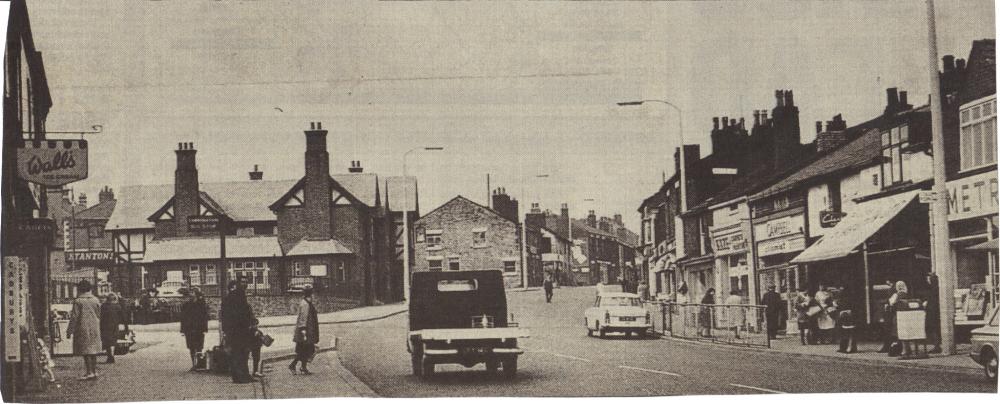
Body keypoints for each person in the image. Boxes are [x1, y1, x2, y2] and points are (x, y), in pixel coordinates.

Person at [222, 280, 256, 383]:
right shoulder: (236, 298)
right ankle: (240, 376)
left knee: (241, 353)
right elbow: (232, 316)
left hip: (237, 330)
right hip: (238, 331)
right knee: (239, 353)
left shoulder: (233, 298)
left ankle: (242, 375)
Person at [67, 280, 102, 380]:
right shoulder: (95, 300)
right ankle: (94, 371)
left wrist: (70, 330)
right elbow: (99, 314)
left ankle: (89, 371)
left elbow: (74, 317)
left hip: (82, 327)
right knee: (93, 350)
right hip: (94, 327)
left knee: (86, 350)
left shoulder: (78, 301)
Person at [289, 284, 319, 375]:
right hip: (306, 330)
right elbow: (303, 318)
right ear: (310, 293)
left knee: (306, 349)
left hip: (308, 329)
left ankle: (303, 367)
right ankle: (293, 365)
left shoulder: (307, 302)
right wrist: (303, 330)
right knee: (305, 349)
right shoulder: (305, 304)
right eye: (311, 292)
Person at [180, 287, 209, 371]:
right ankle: (194, 363)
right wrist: (183, 329)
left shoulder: (201, 304)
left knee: (199, 346)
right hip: (189, 329)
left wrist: (204, 328)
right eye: (190, 292)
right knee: (191, 347)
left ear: (196, 294)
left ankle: (199, 364)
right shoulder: (186, 305)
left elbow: (204, 317)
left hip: (199, 328)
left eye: (193, 292)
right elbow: (183, 318)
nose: (191, 294)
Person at [100, 293, 126, 364]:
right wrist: (125, 326)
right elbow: (123, 317)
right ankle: (112, 355)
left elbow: (100, 316)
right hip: (114, 325)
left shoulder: (103, 306)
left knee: (106, 341)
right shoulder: (118, 306)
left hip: (104, 326)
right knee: (113, 341)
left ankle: (109, 356)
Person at [923, 273, 942, 354]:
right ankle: (936, 345)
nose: (927, 280)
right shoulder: (935, 289)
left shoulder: (934, 290)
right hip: (934, 312)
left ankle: (937, 346)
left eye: (929, 279)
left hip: (933, 313)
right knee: (935, 329)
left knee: (934, 328)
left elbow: (933, 302)